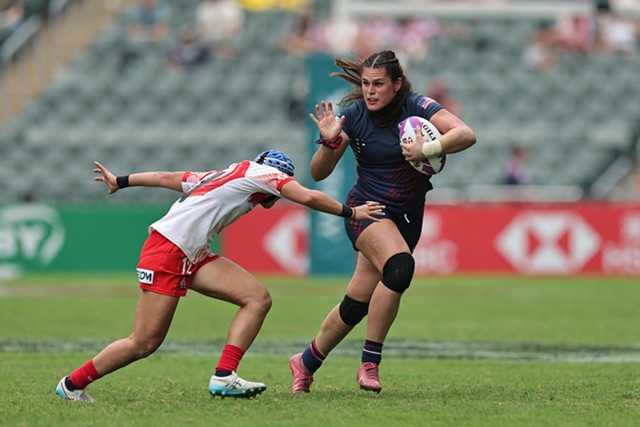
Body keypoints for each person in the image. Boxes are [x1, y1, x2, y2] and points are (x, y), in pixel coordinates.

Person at [55, 151, 385, 402]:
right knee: (144, 342)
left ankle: (225, 375)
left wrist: (122, 180)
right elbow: (309, 196)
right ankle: (72, 385)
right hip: (170, 250)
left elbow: (166, 176)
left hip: (191, 251)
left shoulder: (225, 173)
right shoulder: (267, 175)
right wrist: (352, 211)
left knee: (257, 298)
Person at [288, 50, 476, 394]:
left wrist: (429, 149)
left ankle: (306, 361)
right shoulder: (355, 116)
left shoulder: (419, 107)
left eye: (378, 84)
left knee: (355, 305)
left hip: (407, 216)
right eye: (365, 84)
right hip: (367, 211)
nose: (370, 91)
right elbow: (318, 172)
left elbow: (465, 134)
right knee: (400, 267)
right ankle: (370, 362)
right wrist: (330, 141)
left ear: (397, 84)